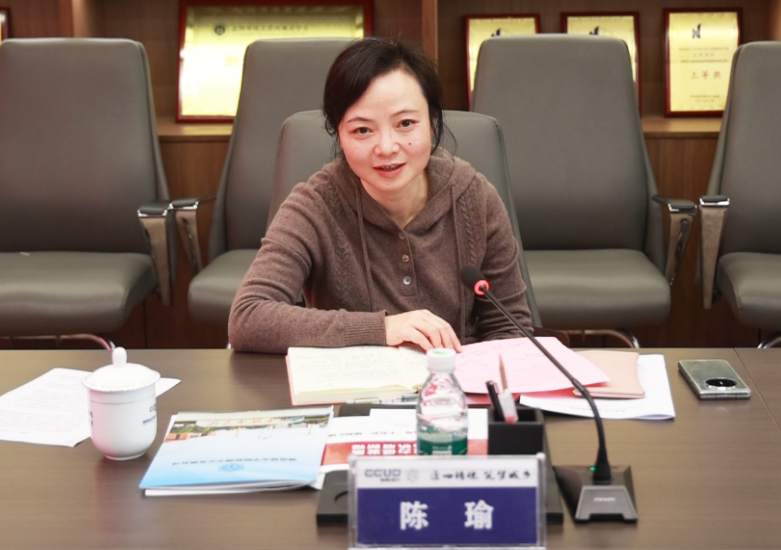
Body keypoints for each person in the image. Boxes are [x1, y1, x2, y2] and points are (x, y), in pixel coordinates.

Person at [228, 37, 531, 354]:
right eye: (362, 130)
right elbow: (248, 316)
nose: (386, 148)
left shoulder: (476, 198)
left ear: (432, 123)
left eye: (406, 123)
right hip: (355, 382)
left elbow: (510, 329)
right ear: (338, 133)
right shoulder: (314, 206)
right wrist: (382, 328)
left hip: (455, 380)